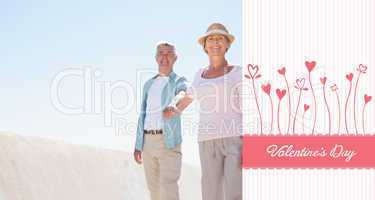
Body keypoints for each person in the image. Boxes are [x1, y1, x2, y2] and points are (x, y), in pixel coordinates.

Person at [174, 23, 243, 200]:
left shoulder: (238, 73)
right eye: (211, 39)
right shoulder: (199, 75)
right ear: (204, 46)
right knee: (211, 193)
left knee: (235, 191)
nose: (215, 42)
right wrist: (170, 109)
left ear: (227, 44)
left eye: (220, 38)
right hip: (206, 140)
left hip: (235, 139)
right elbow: (185, 100)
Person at [134, 42, 188, 200]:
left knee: (168, 188)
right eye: (161, 53)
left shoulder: (178, 81)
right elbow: (143, 115)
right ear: (156, 58)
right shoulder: (149, 84)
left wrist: (173, 104)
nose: (164, 57)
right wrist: (138, 145)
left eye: (169, 53)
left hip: (168, 141)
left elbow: (184, 93)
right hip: (147, 143)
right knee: (154, 191)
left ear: (175, 58)